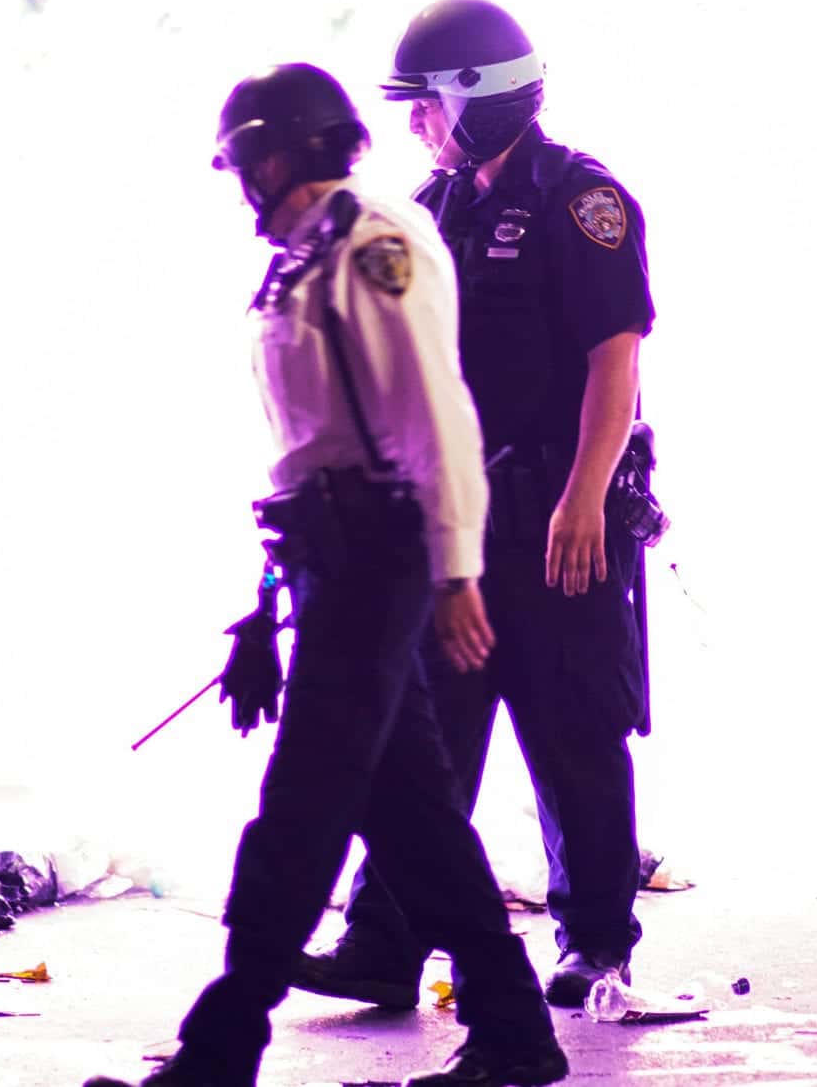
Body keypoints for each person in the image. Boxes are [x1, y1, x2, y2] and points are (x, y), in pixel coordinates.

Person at [85, 63, 565, 1087]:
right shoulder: (300, 256)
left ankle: (220, 1052)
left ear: (282, 154)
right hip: (327, 555)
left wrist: (455, 570)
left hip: (380, 556)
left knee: (299, 809)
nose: (243, 185)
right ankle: (516, 1034)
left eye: (248, 163)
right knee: (412, 819)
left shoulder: (372, 245)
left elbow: (434, 413)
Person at [295, 0, 653, 1011]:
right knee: (424, 735)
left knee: (570, 728)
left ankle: (594, 944)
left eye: (425, 106)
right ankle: (383, 944)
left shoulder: (583, 200)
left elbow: (611, 362)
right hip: (459, 517)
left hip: (554, 516)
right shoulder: (436, 205)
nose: (413, 125)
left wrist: (582, 500)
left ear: (479, 100)